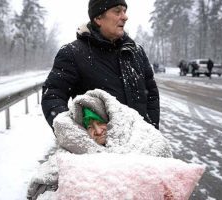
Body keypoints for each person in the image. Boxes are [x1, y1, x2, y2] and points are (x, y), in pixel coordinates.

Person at [27, 89, 172, 200]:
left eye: (100, 122)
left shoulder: (139, 138)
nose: (97, 131)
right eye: (90, 126)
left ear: (111, 120)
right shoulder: (74, 152)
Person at [41, 0, 160, 131]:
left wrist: (151, 130)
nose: (125, 17)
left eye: (125, 11)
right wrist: (78, 135)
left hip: (140, 145)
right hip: (101, 149)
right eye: (117, 11)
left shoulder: (136, 52)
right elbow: (52, 96)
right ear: (98, 18)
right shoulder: (72, 53)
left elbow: (151, 96)